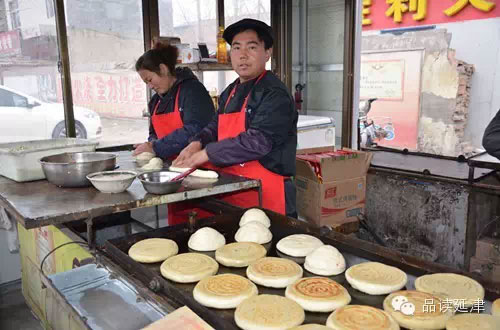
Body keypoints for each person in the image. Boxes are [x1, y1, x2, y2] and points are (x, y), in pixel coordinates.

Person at [173, 18, 298, 217]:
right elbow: (215, 126)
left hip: (266, 193)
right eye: (237, 48)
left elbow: (258, 141)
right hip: (233, 187)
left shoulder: (274, 94)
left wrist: (206, 154)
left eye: (252, 47)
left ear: (267, 53)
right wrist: (197, 142)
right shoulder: (230, 91)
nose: (243, 55)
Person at [133, 42, 215, 224]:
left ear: (163, 69)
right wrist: (150, 145)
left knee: (203, 224)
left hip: (200, 173)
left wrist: (155, 147)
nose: (150, 86)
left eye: (149, 79)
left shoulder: (192, 91)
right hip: (174, 175)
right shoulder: (155, 102)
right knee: (179, 227)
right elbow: (153, 132)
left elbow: (195, 129)